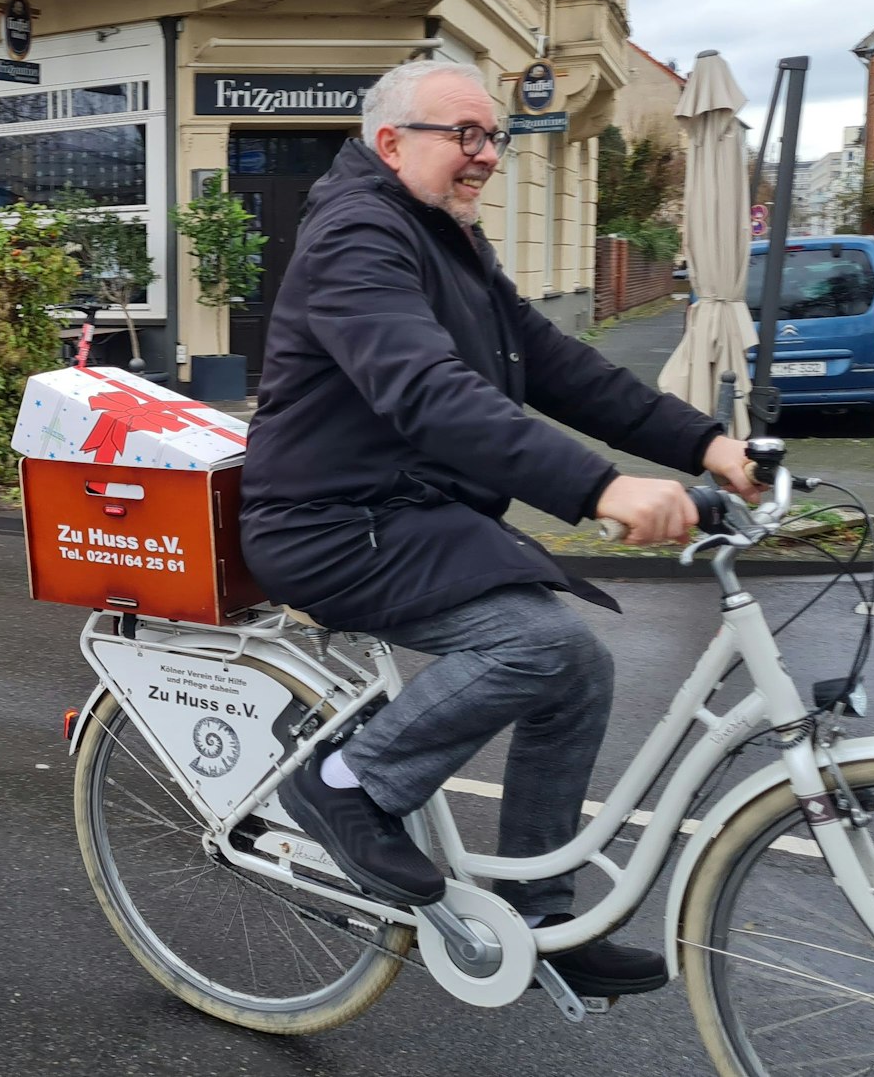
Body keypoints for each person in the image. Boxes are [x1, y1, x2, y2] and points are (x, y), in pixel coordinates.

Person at [239, 60, 761, 997]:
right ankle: (344, 785)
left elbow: (556, 364)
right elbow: (429, 394)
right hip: (330, 523)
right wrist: (601, 487)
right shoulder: (356, 238)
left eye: (494, 139)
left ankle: (542, 916)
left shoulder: (443, 235)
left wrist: (707, 443)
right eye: (466, 137)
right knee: (542, 644)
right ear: (392, 143)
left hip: (405, 510)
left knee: (577, 663)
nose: (486, 156)